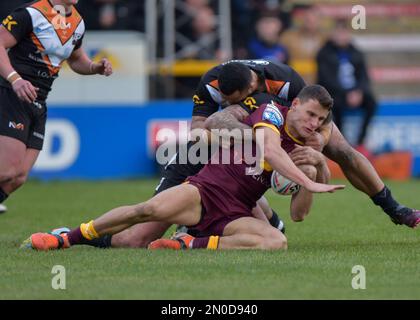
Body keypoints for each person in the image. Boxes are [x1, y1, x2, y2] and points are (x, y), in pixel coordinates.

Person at [23, 85, 345, 251]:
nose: (313, 123)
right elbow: (270, 150)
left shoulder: (308, 144)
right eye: (311, 114)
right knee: (145, 211)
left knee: (277, 242)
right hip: (203, 191)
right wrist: (311, 180)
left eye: (320, 120)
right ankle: (67, 239)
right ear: (297, 104)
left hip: (236, 212)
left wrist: (318, 165)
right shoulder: (272, 111)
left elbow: (300, 215)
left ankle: (190, 244)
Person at [0, 0, 113, 214]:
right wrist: (15, 79)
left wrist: (94, 67)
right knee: (6, 170)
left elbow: (77, 59)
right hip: (12, 93)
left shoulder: (77, 22)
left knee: (18, 177)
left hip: (39, 101)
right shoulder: (30, 14)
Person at [317, 18, 377, 155]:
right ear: (332, 34)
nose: (341, 36)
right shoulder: (324, 53)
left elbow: (364, 76)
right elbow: (325, 79)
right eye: (338, 33)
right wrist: (346, 93)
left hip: (355, 92)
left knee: (371, 102)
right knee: (334, 105)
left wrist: (359, 91)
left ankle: (361, 141)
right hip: (335, 93)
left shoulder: (356, 52)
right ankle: (341, 144)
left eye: (344, 33)